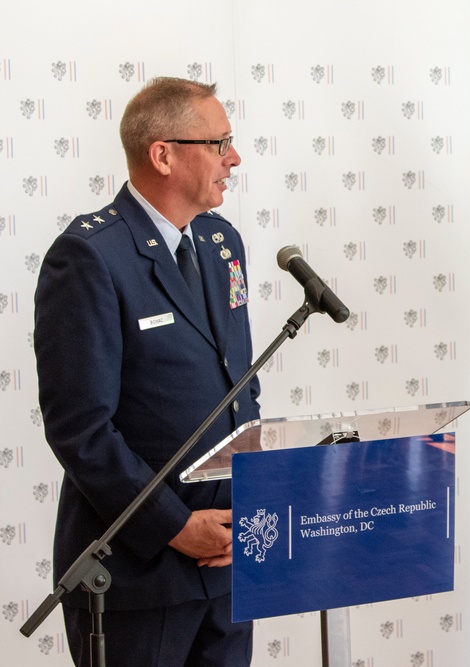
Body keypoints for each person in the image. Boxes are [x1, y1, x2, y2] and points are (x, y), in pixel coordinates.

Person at [34, 77, 259, 666]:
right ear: (163, 154)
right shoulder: (90, 256)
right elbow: (81, 430)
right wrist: (175, 527)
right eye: (218, 143)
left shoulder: (221, 242)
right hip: (139, 576)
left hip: (231, 563)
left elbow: (241, 386)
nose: (233, 157)